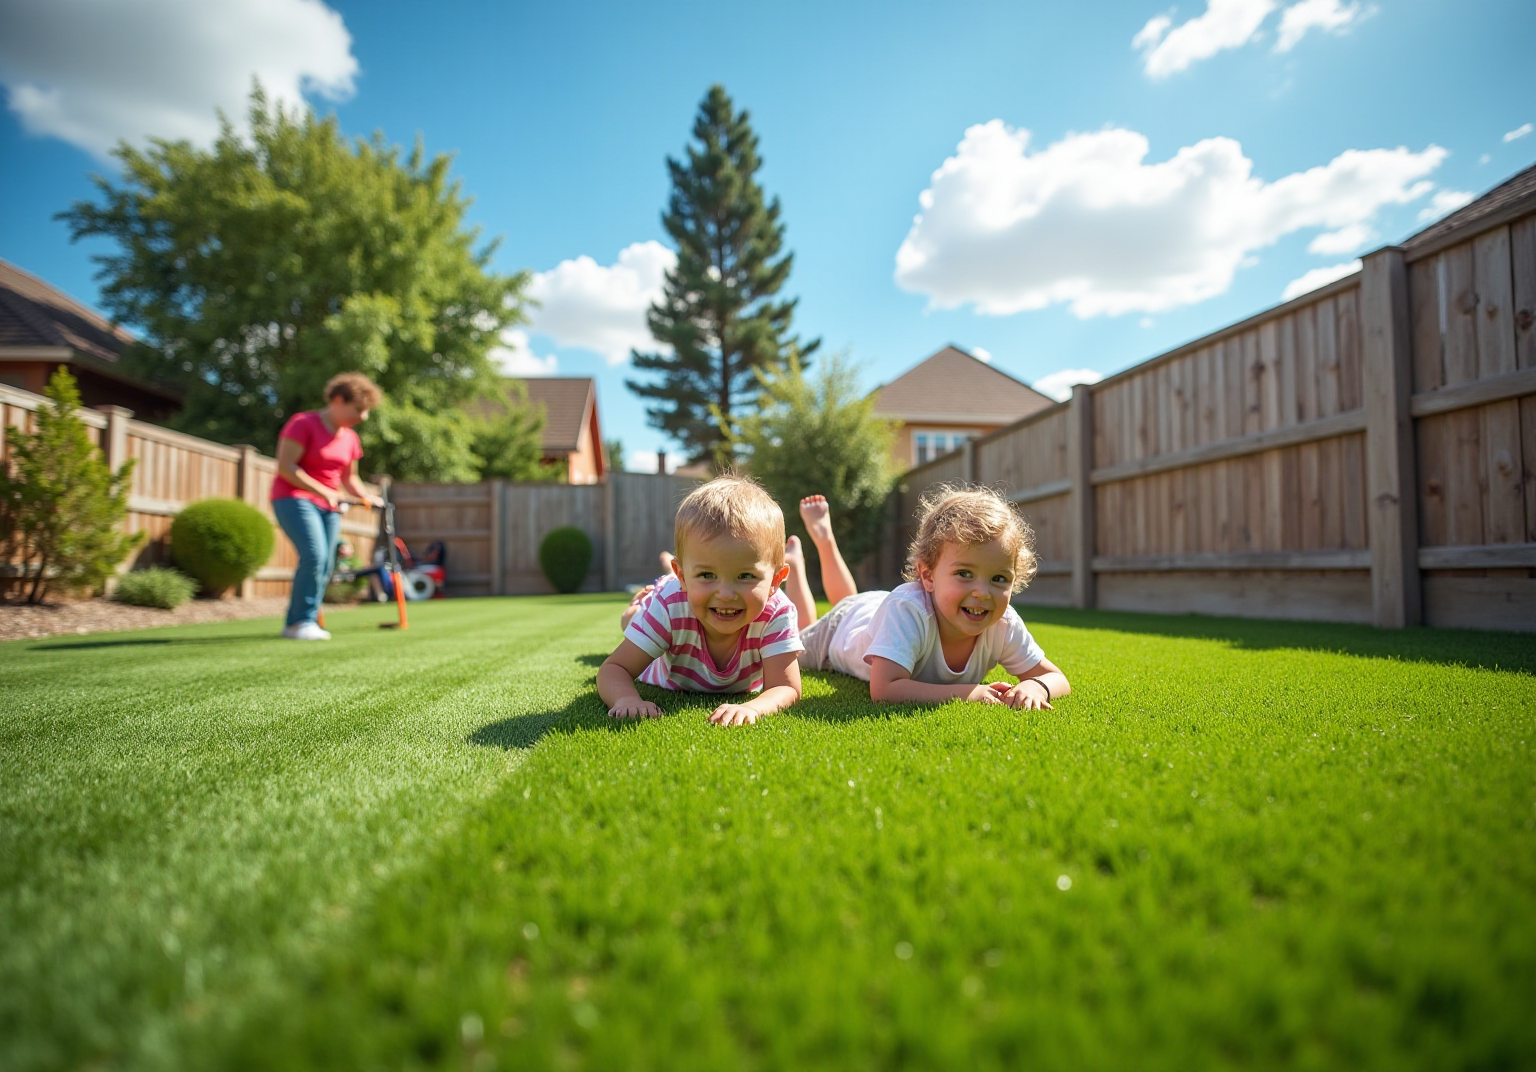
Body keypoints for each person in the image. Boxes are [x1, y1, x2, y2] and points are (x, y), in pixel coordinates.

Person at [786, 486, 1070, 709]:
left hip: (878, 612)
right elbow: (885, 690)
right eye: (965, 574)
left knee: (850, 601)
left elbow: (1057, 678)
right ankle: (807, 557)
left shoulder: (1003, 623)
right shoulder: (909, 610)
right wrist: (969, 693)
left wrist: (1036, 687)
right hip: (841, 628)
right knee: (794, 642)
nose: (982, 593)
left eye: (999, 579)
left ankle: (823, 541)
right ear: (928, 576)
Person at [599, 475, 804, 727]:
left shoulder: (776, 612)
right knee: (635, 620)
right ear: (682, 577)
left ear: (775, 580)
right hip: (667, 618)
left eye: (745, 576)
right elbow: (613, 668)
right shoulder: (670, 604)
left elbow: (786, 686)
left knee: (657, 616)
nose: (726, 594)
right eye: (707, 575)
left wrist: (754, 707)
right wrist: (625, 699)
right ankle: (639, 607)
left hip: (683, 599)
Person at [270, 372, 385, 640]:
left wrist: (368, 497)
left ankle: (299, 622)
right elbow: (286, 468)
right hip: (294, 498)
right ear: (337, 400)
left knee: (326, 562)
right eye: (358, 409)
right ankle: (300, 622)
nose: (363, 417)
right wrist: (325, 492)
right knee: (314, 556)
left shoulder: (350, 438)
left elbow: (349, 477)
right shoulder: (303, 424)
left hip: (329, 505)